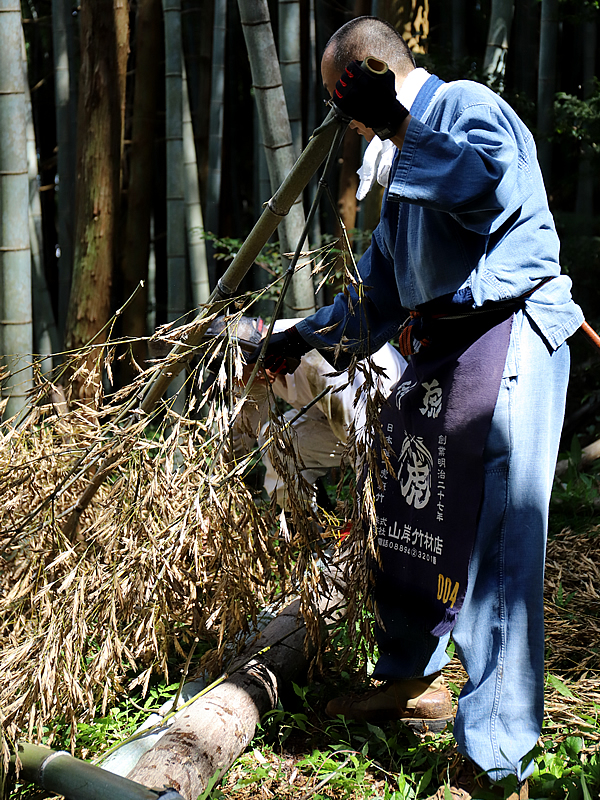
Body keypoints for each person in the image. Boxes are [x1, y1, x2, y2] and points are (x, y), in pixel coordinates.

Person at [257, 16, 584, 800]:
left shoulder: (464, 105)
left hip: (510, 339)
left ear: (365, 76)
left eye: (347, 99)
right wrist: (300, 335)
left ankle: (498, 759)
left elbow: (484, 185)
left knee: (498, 548)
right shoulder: (401, 160)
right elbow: (382, 288)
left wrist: (401, 121)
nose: (350, 119)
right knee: (411, 520)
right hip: (443, 356)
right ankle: (410, 679)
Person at [223, 316, 407, 511]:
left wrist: (369, 515)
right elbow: (243, 429)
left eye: (239, 374)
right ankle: (305, 530)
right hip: (342, 424)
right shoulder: (255, 369)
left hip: (389, 424)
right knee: (276, 441)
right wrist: (220, 481)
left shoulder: (316, 360)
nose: (239, 383)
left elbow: (363, 440)